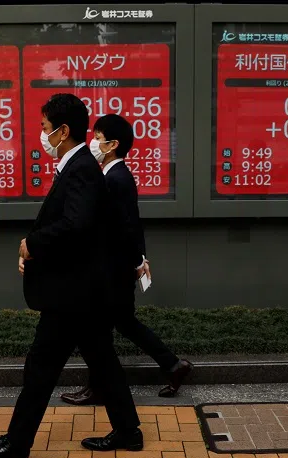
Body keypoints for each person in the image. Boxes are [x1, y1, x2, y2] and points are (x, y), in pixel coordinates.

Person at [0, 94, 143, 458]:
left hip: (73, 294)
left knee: (41, 366)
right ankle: (128, 430)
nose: (42, 135)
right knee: (102, 360)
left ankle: (16, 444)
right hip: (84, 290)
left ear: (62, 131)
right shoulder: (79, 166)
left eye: (46, 128)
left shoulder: (80, 168)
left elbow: (75, 226)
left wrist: (33, 245)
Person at [61, 114, 192, 407]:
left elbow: (125, 227)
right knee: (117, 325)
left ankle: (101, 387)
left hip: (113, 271)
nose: (93, 142)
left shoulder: (115, 178)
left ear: (113, 144)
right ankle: (171, 365)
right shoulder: (115, 176)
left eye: (97, 138)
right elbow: (132, 222)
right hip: (116, 268)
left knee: (99, 330)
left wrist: (137, 261)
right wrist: (140, 259)